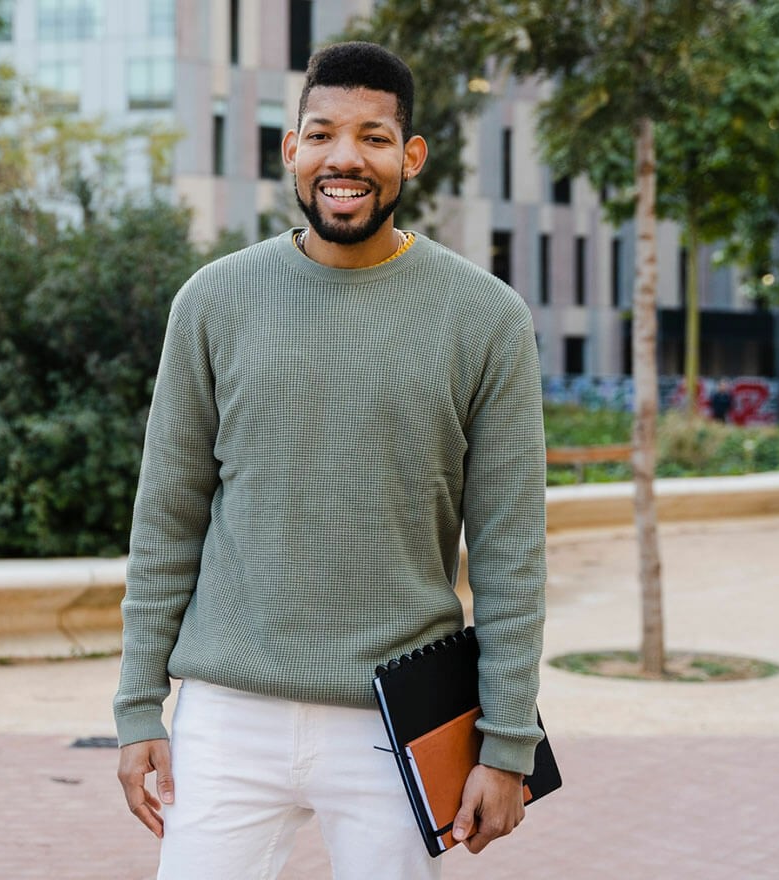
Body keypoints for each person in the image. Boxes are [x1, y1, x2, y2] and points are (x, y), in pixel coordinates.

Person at [113, 41, 548, 880]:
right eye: (321, 134)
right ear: (291, 149)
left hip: (398, 719)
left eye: (374, 137)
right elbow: (166, 519)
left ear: (410, 156)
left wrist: (507, 741)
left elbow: (511, 551)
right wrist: (138, 710)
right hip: (227, 714)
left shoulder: (487, 318)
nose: (344, 158)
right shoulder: (213, 302)